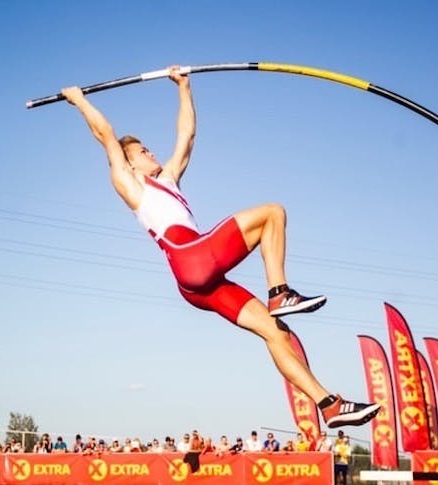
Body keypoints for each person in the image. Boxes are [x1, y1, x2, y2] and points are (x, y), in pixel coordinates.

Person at [61, 66, 379, 428]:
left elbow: (187, 134)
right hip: (190, 258)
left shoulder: (168, 180)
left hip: (197, 284)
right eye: (142, 151)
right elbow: (106, 135)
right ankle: (279, 292)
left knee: (276, 333)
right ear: (129, 163)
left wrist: (184, 86)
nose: (150, 151)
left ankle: (329, 404)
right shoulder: (131, 186)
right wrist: (79, 101)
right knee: (273, 213)